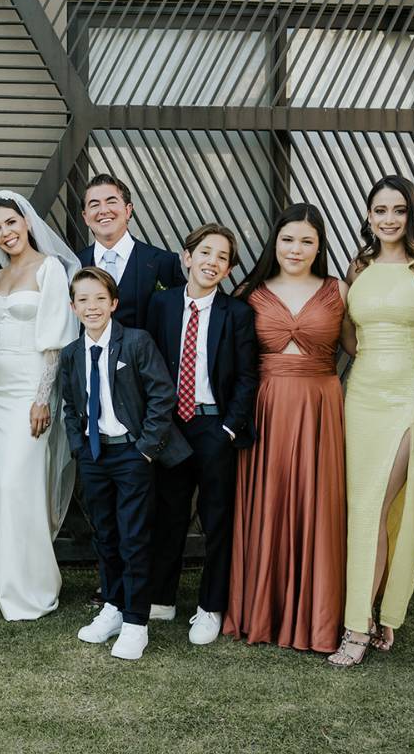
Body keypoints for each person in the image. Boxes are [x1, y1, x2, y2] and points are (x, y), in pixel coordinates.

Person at [328, 176, 414, 667]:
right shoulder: (358, 267)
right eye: (379, 210)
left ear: (411, 214)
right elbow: (350, 339)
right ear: (369, 215)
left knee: (379, 506)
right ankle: (374, 609)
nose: (388, 219)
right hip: (360, 398)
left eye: (398, 210)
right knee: (363, 507)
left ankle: (358, 625)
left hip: (409, 399)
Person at [222, 203, 349, 654]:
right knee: (268, 501)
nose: (296, 249)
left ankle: (315, 617)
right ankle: (262, 610)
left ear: (320, 246)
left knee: (316, 505)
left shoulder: (339, 290)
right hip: (267, 406)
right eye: (288, 239)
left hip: (320, 406)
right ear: (275, 242)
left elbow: (362, 346)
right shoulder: (250, 292)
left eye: (307, 241)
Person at [60, 267, 191, 660]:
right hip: (94, 454)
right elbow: (71, 405)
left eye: (100, 298)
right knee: (106, 535)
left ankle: (136, 621)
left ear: (114, 303)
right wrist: (78, 448)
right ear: (73, 307)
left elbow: (161, 396)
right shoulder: (72, 354)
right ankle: (113, 608)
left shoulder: (135, 342)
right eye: (83, 299)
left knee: (133, 536)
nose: (92, 306)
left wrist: (146, 448)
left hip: (132, 453)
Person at [0, 190, 80, 621]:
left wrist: (42, 397)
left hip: (31, 387)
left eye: (10, 223)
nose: (4, 233)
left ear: (26, 222)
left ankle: (31, 584)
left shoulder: (50, 268)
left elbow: (54, 336)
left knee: (19, 482)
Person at [145, 224, 258, 643]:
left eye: (222, 257)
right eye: (205, 252)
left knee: (217, 517)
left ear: (227, 270)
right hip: (172, 425)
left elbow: (248, 377)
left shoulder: (238, 314)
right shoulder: (162, 305)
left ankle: (211, 606)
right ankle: (161, 596)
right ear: (186, 257)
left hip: (214, 425)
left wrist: (229, 428)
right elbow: (150, 365)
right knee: (169, 511)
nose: (212, 261)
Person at [74, 173, 185, 331]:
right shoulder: (74, 264)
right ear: (85, 217)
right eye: (94, 205)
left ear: (128, 210)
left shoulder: (164, 262)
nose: (103, 210)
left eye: (111, 201)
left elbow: (177, 321)